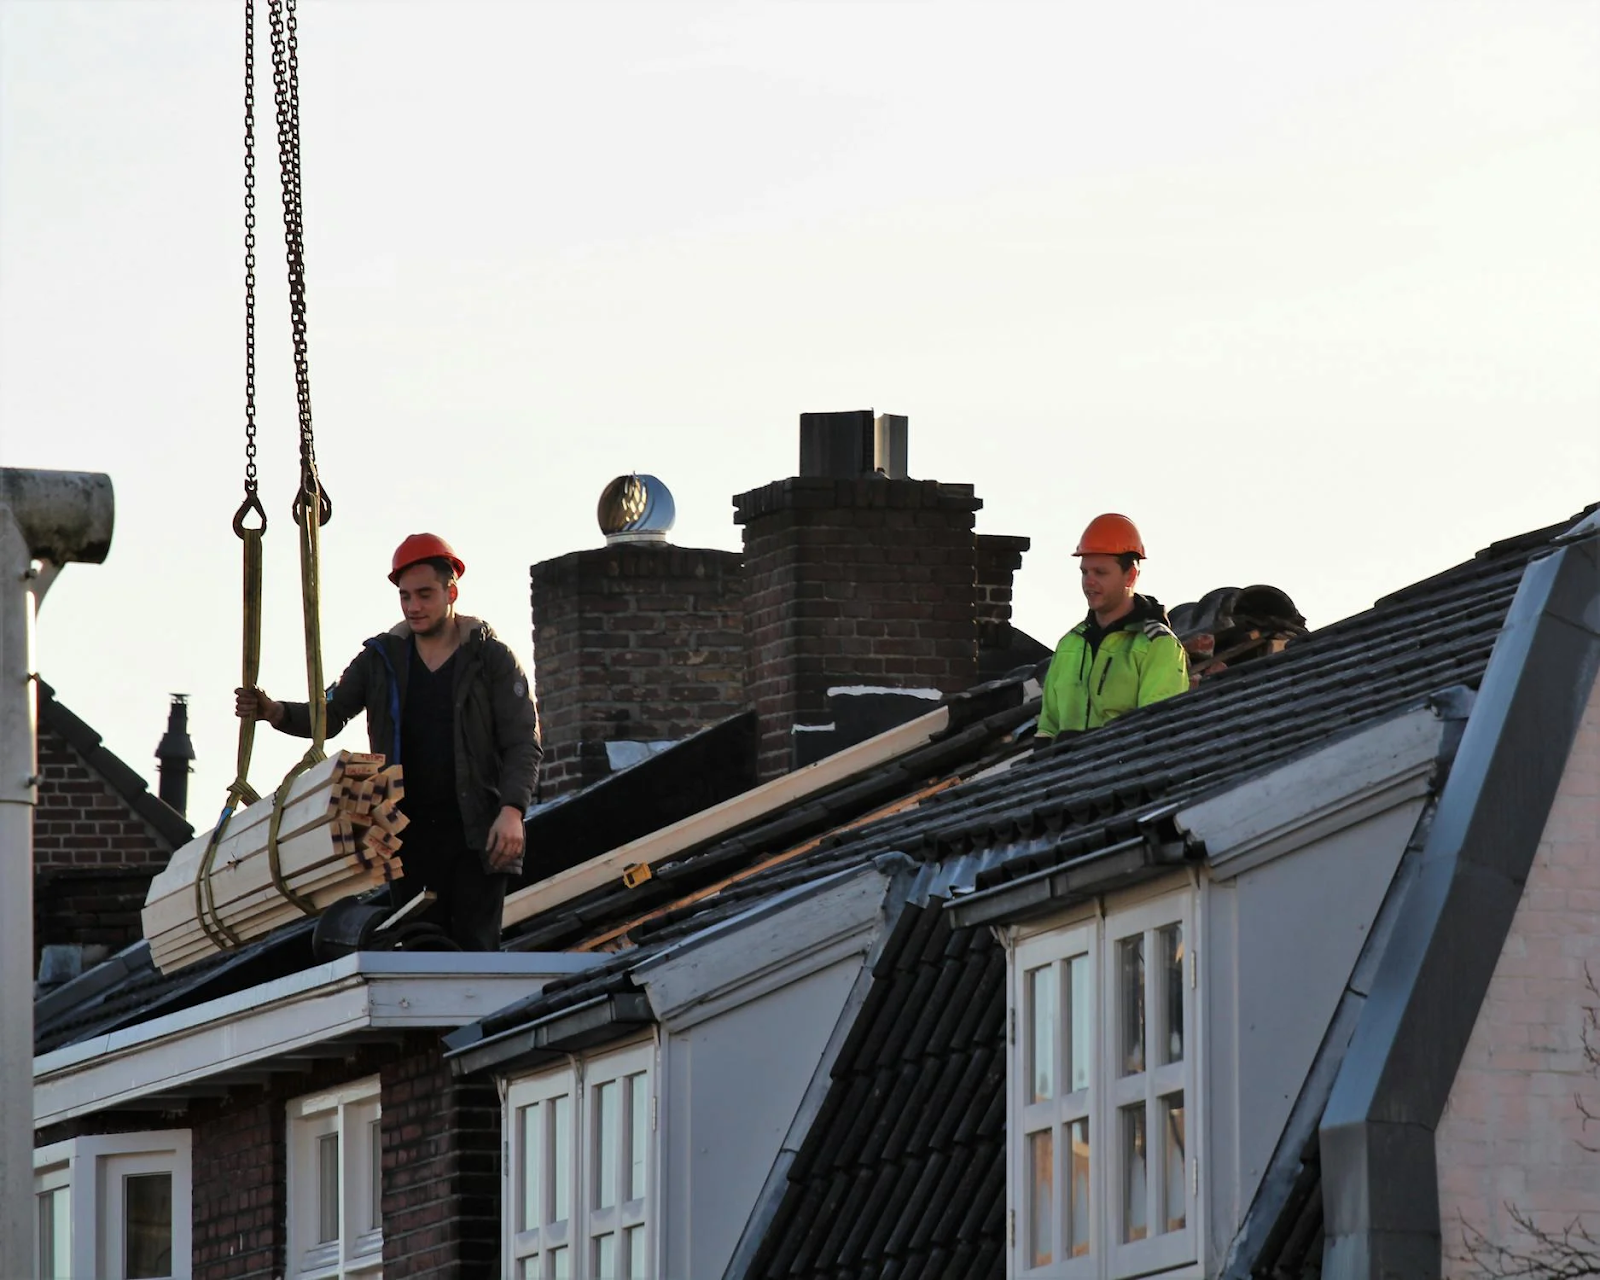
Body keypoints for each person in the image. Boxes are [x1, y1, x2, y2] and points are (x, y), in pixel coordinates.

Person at [236, 533, 541, 950]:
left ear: (451, 592)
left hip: (476, 833)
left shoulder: (491, 659)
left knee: (475, 952)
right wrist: (275, 712)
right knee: (416, 949)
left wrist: (512, 811)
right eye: (405, 596)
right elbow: (331, 711)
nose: (413, 606)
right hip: (404, 836)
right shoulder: (381, 660)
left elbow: (523, 741)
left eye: (424, 595)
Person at [1035, 513, 1189, 744]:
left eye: (1100, 572)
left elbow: (1156, 731)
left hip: (1124, 776)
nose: (1089, 581)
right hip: (1067, 777)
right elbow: (1048, 727)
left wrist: (1084, 745)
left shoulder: (1158, 645)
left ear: (1131, 575)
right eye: (1084, 572)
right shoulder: (1069, 644)